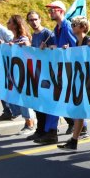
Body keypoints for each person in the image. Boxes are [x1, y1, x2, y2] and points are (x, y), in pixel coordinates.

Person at [34, 0, 86, 144]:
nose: (50, 12)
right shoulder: (56, 29)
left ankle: (53, 131)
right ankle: (78, 127)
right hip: (61, 70)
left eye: (53, 10)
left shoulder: (67, 26)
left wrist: (64, 48)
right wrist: (50, 46)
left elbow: (77, 46)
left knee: (58, 99)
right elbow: (59, 46)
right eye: (49, 10)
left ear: (61, 11)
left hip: (69, 70)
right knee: (61, 100)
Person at [57, 16, 90, 151]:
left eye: (75, 24)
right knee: (78, 110)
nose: (72, 26)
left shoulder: (88, 41)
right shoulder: (77, 44)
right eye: (72, 24)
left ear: (83, 27)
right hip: (82, 82)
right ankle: (74, 141)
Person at [24, 10, 58, 143]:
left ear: (40, 19)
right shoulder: (34, 35)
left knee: (46, 104)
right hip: (38, 74)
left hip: (48, 74)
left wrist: (47, 47)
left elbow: (56, 49)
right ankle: (41, 130)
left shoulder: (48, 33)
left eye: (35, 19)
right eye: (31, 20)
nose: (33, 22)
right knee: (38, 104)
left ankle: (49, 131)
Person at [5, 14, 35, 135]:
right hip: (16, 72)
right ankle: (27, 121)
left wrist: (17, 46)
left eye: (10, 21)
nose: (7, 23)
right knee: (17, 96)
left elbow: (28, 50)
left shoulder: (23, 38)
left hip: (24, 72)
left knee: (24, 98)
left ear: (16, 24)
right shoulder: (14, 38)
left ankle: (30, 123)